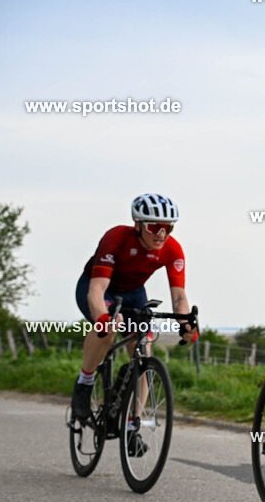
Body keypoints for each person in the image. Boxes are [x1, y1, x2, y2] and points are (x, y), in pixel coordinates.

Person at [70, 194, 199, 456]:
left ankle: (132, 428)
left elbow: (179, 296)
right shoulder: (116, 238)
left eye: (168, 227)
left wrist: (185, 321)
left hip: (133, 292)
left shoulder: (172, 249)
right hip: (98, 286)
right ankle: (85, 383)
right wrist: (103, 319)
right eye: (154, 226)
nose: (161, 233)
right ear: (138, 224)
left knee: (144, 349)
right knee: (108, 329)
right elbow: (96, 290)